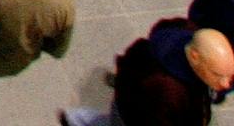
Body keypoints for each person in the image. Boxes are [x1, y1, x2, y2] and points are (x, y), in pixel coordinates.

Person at [61, 24, 234, 126]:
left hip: (131, 98)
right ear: (194, 57)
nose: (226, 84)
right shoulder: (167, 92)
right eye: (218, 75)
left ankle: (77, 119)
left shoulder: (183, 34)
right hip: (135, 115)